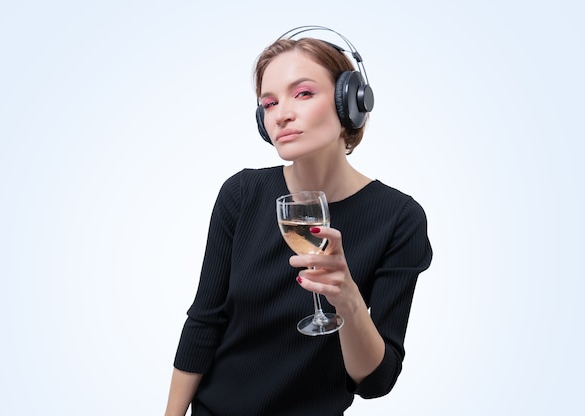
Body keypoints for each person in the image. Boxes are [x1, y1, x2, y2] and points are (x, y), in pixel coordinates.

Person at [164, 26, 433, 416]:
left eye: (303, 93)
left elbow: (376, 382)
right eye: (269, 104)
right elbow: (205, 322)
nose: (282, 114)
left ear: (349, 103)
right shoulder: (241, 194)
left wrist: (348, 301)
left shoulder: (399, 218)